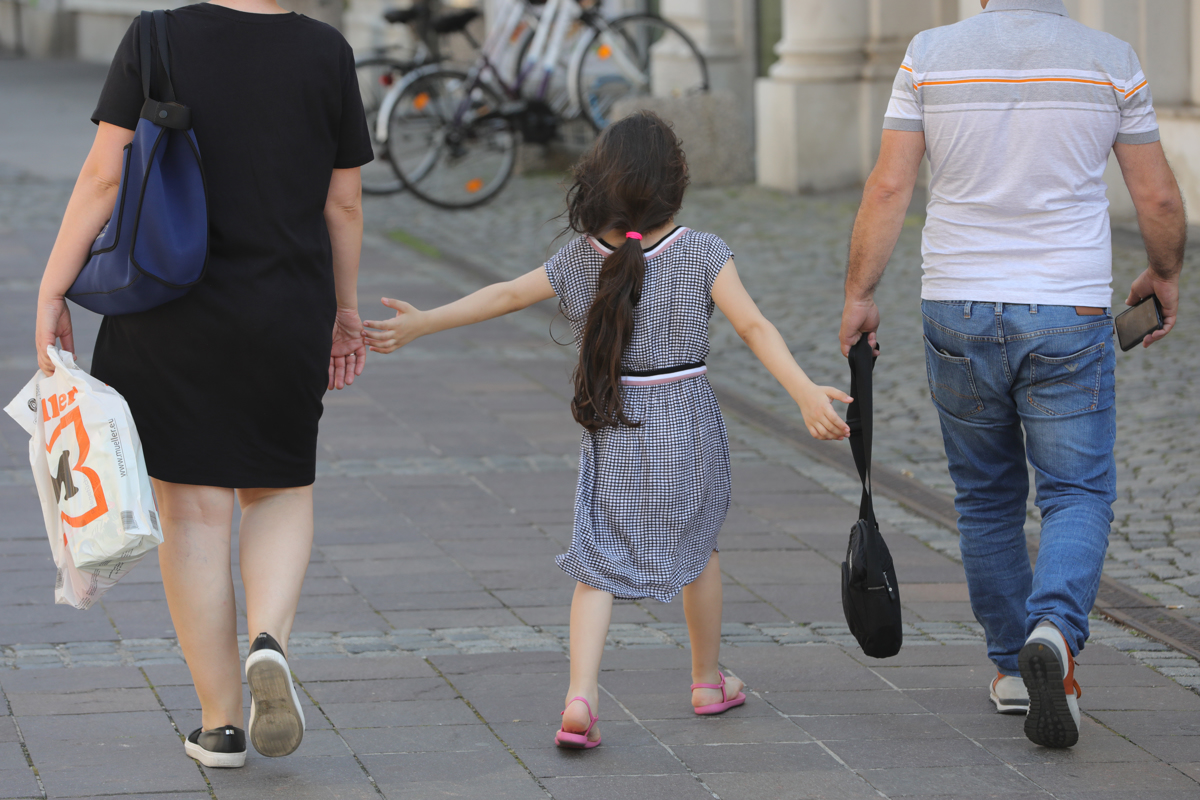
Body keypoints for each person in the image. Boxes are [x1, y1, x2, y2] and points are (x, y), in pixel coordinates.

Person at [365, 112, 851, 748]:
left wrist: (424, 322)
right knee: (698, 545)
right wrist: (804, 392)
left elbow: (505, 296)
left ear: (596, 183)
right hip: (685, 423)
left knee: (596, 559)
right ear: (675, 183)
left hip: (614, 422)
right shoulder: (702, 252)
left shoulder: (576, 260)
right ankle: (707, 679)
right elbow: (754, 327)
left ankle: (581, 696)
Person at [33, 0, 373, 768]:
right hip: (286, 307)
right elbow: (343, 201)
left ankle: (220, 725)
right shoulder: (327, 52)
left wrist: (55, 290)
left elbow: (101, 177)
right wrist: (344, 309)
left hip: (167, 310)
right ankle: (269, 643)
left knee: (191, 518)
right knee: (279, 488)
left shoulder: (157, 35)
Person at [839, 0, 1185, 749]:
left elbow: (889, 187)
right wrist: (1164, 272)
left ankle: (1008, 667)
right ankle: (1054, 635)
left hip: (956, 306)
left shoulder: (929, 53)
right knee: (1078, 491)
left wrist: (860, 294)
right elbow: (1155, 194)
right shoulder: (1111, 59)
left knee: (987, 497)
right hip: (1067, 308)